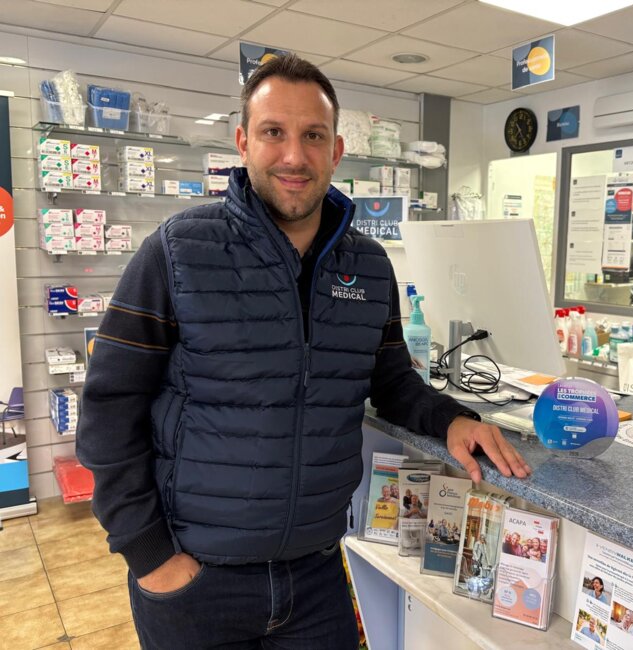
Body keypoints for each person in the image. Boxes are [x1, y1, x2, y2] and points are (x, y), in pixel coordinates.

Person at [75, 53, 532, 650]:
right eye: (274, 133)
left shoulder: (368, 267)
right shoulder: (177, 252)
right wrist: (150, 555)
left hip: (314, 577)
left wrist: (450, 419)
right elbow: (108, 407)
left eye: (312, 135)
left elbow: (390, 381)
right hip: (196, 581)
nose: (294, 155)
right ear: (243, 142)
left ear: (336, 150)